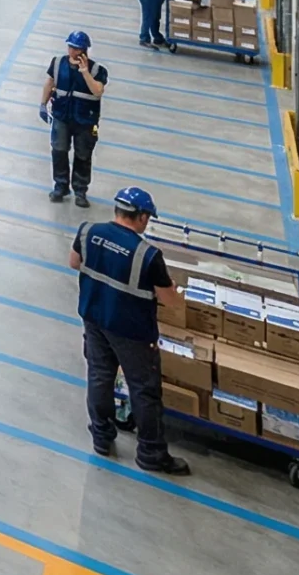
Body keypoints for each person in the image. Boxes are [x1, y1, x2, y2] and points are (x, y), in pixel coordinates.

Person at [69, 188, 191, 475]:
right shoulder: (148, 255)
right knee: (144, 390)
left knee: (99, 377)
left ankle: (101, 437)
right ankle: (151, 453)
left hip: (94, 320)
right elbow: (169, 300)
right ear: (143, 217)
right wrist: (173, 289)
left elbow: (74, 263)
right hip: (132, 333)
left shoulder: (88, 231)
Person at [40, 31, 108, 207]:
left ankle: (80, 190)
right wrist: (43, 103)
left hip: (85, 121)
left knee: (83, 155)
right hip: (62, 116)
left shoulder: (97, 70)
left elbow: (98, 91)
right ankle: (60, 186)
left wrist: (85, 73)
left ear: (85, 50)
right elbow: (50, 83)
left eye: (77, 49)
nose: (73, 51)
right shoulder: (57, 63)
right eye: (71, 47)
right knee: (59, 151)